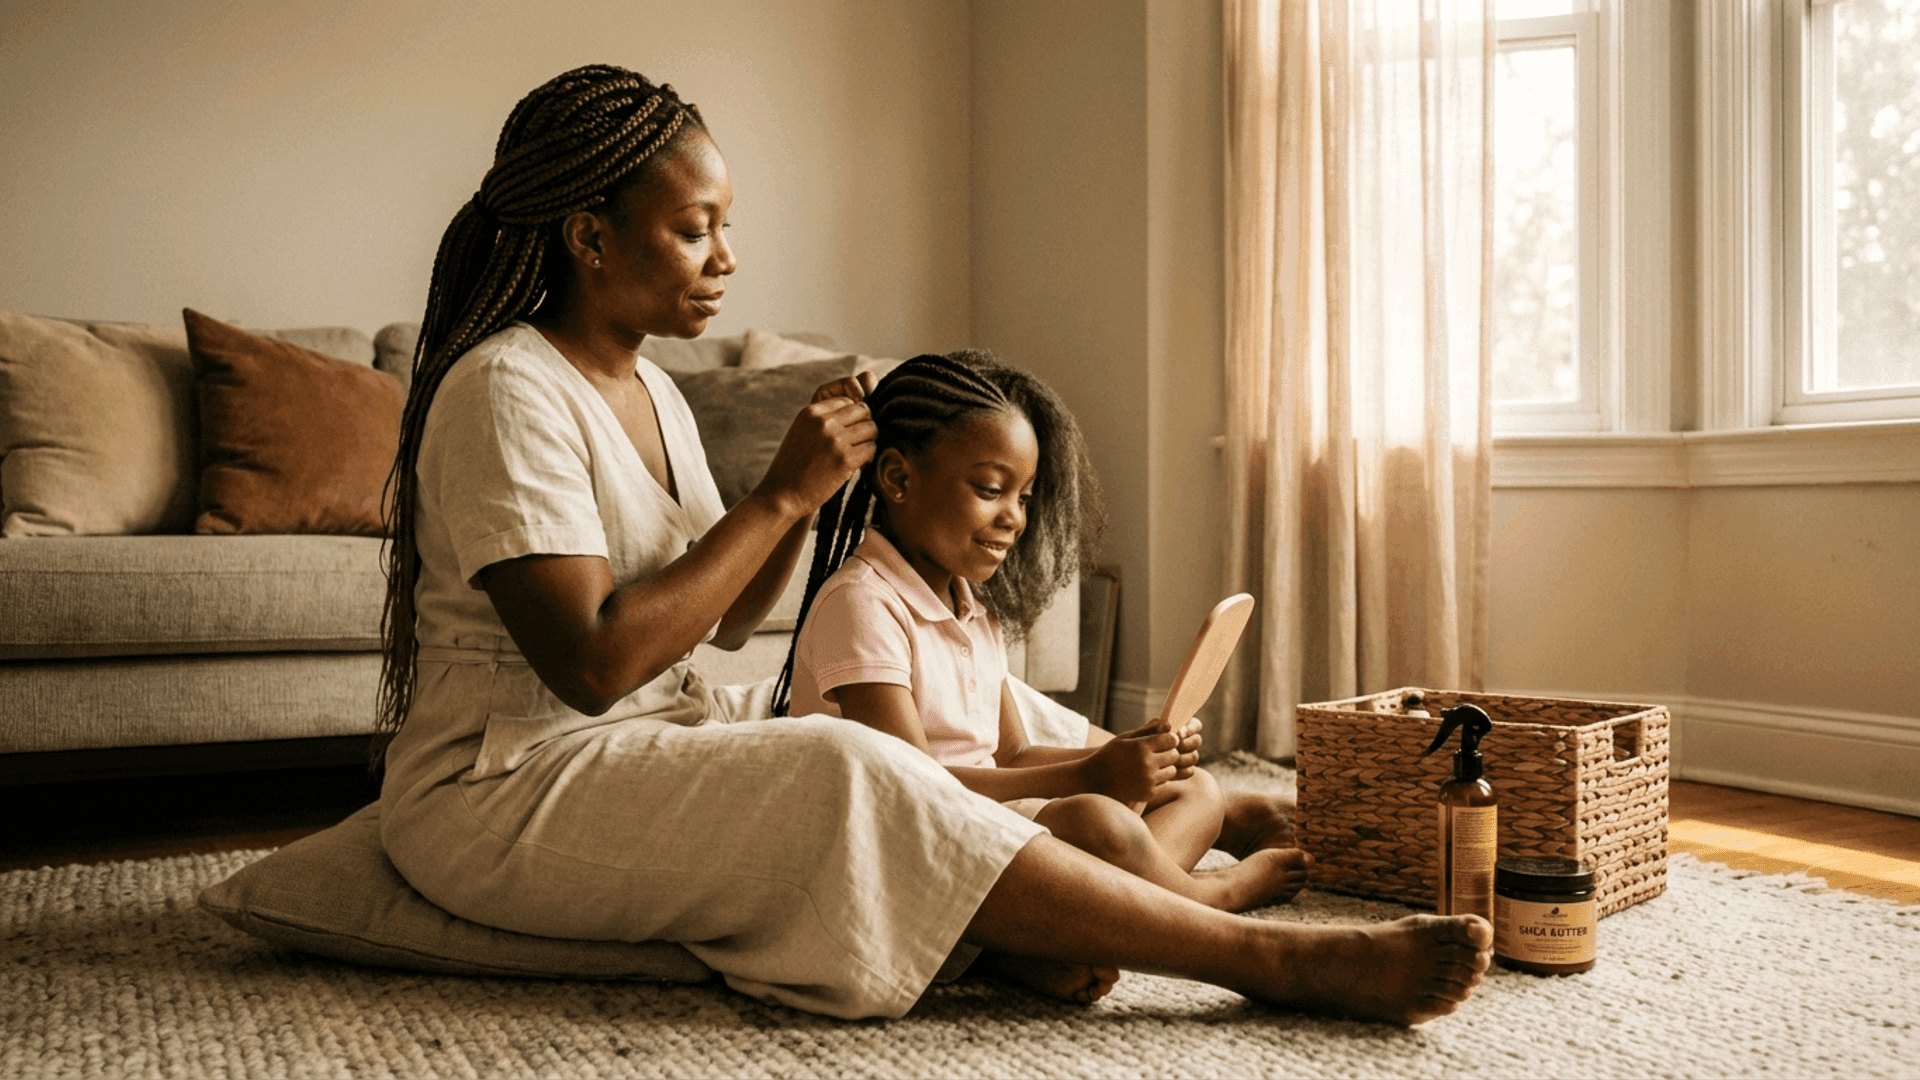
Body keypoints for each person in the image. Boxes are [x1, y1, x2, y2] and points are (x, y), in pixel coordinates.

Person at [375, 62, 1491, 1025]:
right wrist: (777, 499)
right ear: (588, 236)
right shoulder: (503, 389)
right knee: (847, 763)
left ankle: (1026, 931)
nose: (725, 257)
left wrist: (806, 498)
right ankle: (1268, 961)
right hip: (507, 782)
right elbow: (592, 665)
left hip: (638, 742)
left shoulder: (657, 393)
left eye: (725, 225)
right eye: (692, 228)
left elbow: (722, 627)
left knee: (860, 771)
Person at [780, 352, 1311, 931]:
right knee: (1099, 823)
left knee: (1197, 789)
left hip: (991, 816)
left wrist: (1125, 756)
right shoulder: (862, 603)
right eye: (990, 489)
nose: (1014, 518)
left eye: (1024, 497)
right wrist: (1086, 780)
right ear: (899, 479)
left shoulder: (970, 608)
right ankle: (1207, 899)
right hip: (921, 841)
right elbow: (910, 792)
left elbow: (1012, 755)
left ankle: (1086, 922)